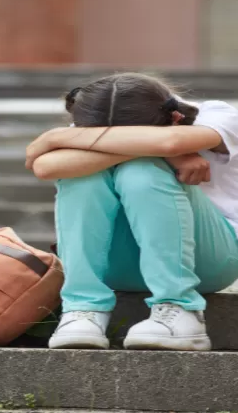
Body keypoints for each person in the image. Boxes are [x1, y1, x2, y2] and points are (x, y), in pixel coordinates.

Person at [26, 73, 238, 351]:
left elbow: (170, 143)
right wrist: (159, 150)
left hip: (209, 260)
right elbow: (45, 167)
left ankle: (180, 308)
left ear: (174, 118)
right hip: (117, 266)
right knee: (81, 176)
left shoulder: (216, 115)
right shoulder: (98, 115)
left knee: (142, 169)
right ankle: (83, 309)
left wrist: (59, 137)